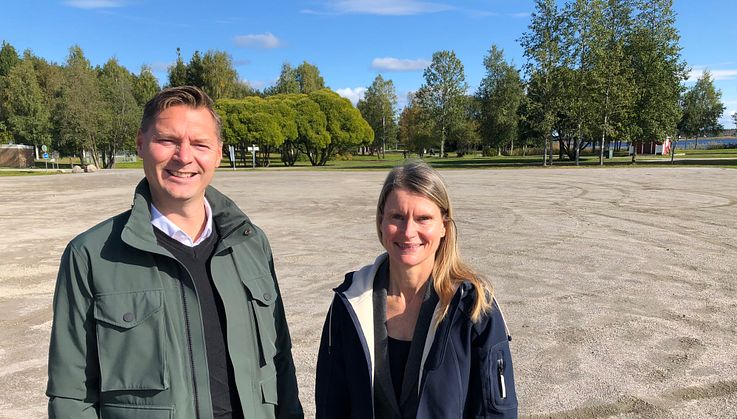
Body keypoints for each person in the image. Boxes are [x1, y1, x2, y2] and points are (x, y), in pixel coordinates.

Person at [46, 86, 303, 419]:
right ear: (141, 144)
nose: (184, 157)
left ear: (219, 153)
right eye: (167, 141)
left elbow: (281, 361)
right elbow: (71, 395)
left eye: (200, 144)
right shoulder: (91, 256)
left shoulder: (251, 244)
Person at [315, 161, 517, 419]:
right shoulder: (350, 302)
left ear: (444, 225)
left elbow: (495, 412)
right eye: (397, 217)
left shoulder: (475, 307)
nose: (409, 231)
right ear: (380, 221)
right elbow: (331, 405)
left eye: (424, 218)